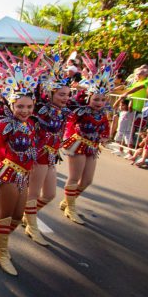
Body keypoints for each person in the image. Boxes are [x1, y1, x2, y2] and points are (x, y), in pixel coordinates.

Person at [0, 51, 40, 276]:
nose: (25, 111)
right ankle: (2, 252)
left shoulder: (31, 124)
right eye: (20, 106)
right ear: (11, 104)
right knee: (6, 213)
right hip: (7, 171)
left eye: (29, 106)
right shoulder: (3, 123)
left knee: (18, 216)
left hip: (24, 174)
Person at [60, 52, 126, 224]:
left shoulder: (103, 113)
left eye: (103, 100)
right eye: (96, 99)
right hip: (78, 144)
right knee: (74, 178)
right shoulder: (80, 109)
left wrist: (105, 137)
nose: (99, 102)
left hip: (93, 146)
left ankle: (69, 199)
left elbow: (105, 127)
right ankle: (70, 207)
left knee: (87, 180)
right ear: (89, 97)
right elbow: (67, 116)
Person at [24, 51, 72, 246]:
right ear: (50, 92)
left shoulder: (63, 111)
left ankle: (27, 215)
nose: (65, 98)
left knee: (50, 194)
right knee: (33, 194)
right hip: (38, 157)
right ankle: (32, 226)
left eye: (68, 94)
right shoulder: (40, 110)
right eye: (61, 94)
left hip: (52, 156)